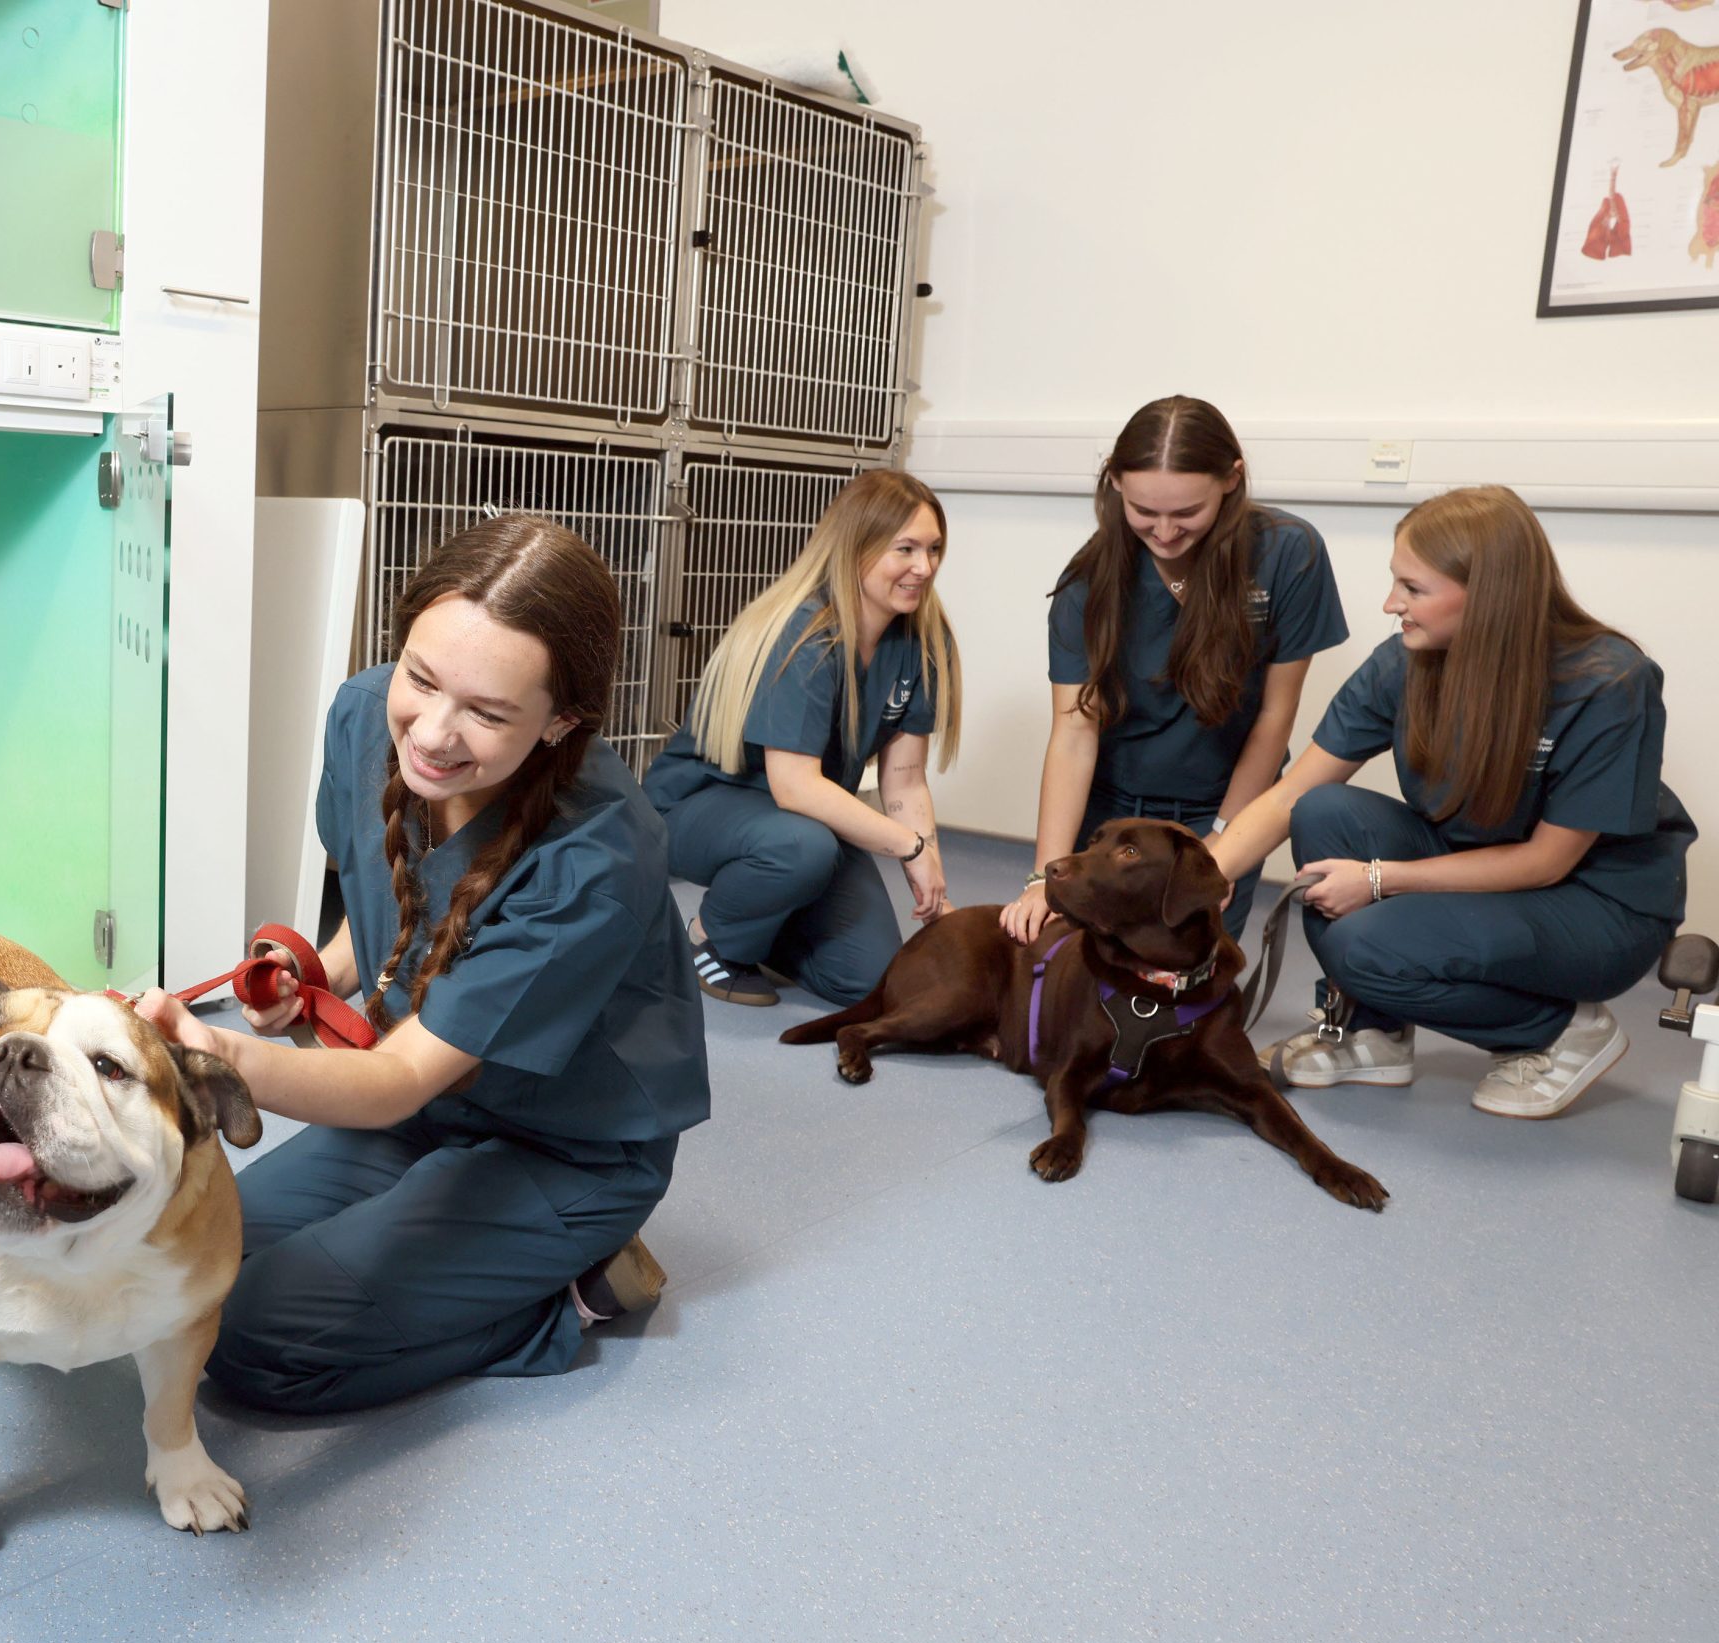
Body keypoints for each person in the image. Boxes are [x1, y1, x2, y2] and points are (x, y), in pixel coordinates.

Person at [133, 515, 709, 1414]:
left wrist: (224, 1059)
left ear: (562, 720)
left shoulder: (598, 853)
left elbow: (399, 1076)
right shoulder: (366, 715)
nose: (433, 732)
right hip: (436, 1104)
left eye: (486, 711)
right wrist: (319, 973)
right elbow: (401, 894)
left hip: (565, 1149)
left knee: (249, 1342)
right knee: (188, 1260)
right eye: (422, 677)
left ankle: (560, 1301)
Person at [1205, 485, 1695, 1119]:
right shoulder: (1403, 663)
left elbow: (1546, 863)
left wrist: (1381, 880)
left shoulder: (1608, 681)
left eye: (1413, 588)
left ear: (1488, 593)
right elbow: (1292, 793)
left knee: (1366, 945)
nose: (1391, 605)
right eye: (1395, 583)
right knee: (1324, 810)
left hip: (1597, 903)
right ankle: (1373, 1032)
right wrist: (1201, 878)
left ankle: (1557, 1030)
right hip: (1479, 861)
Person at [1001, 396, 1347, 948]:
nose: (1163, 532)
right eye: (1144, 512)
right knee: (1072, 973)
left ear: (1232, 480)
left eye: (1186, 513)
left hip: (1223, 805)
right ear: (1115, 483)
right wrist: (1045, 877)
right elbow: (1073, 733)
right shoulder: (1089, 581)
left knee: (1187, 978)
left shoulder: (1289, 554)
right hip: (1113, 817)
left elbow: (1274, 717)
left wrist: (1223, 844)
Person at [642, 469, 962, 1008]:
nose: (923, 567)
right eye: (904, 549)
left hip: (801, 820)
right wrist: (907, 847)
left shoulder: (924, 641)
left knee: (867, 983)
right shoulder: (805, 632)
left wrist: (931, 866)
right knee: (801, 848)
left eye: (933, 549)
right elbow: (794, 788)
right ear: (855, 548)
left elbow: (904, 777)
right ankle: (709, 937)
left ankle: (764, 921)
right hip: (704, 807)